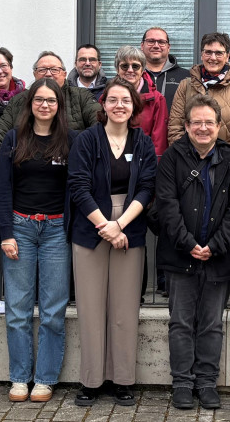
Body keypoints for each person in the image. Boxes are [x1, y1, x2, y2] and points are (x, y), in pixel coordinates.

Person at [154, 94, 230, 411]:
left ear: (219, 126)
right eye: (197, 122)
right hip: (180, 254)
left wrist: (215, 246)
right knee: (181, 322)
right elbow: (166, 207)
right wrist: (189, 243)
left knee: (211, 323)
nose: (203, 128)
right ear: (186, 126)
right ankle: (182, 383)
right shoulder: (171, 158)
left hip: (219, 256)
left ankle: (206, 383)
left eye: (210, 122)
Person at [67, 80, 157, 407]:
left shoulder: (142, 142)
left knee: (124, 310)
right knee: (91, 308)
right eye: (113, 100)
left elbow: (147, 188)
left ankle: (122, 379)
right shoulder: (86, 140)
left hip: (128, 227)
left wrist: (119, 225)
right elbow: (77, 186)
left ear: (134, 107)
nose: (119, 105)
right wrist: (105, 225)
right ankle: (91, 381)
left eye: (126, 101)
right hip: (91, 226)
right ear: (103, 105)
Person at [0, 79, 77, 403]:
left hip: (57, 230)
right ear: (30, 104)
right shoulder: (14, 139)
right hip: (20, 228)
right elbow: (2, 189)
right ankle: (19, 378)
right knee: (17, 309)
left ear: (59, 106)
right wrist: (6, 234)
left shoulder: (72, 140)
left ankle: (44, 379)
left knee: (53, 311)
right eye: (39, 100)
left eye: (51, 101)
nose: (45, 105)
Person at [0, 52, 101, 162]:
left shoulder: (81, 97)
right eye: (42, 70)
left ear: (64, 74)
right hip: (27, 165)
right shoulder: (19, 100)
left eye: (54, 69)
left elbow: (100, 124)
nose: (48, 74)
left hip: (71, 164)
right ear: (34, 74)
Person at [166, 32, 230, 147]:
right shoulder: (185, 85)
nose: (213, 58)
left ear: (227, 56)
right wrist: (187, 156)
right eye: (208, 52)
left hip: (227, 160)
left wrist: (226, 158)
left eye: (219, 53)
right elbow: (175, 127)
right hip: (189, 160)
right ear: (202, 54)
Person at [111, 46, 168, 156]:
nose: (130, 70)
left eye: (135, 66)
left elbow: (159, 141)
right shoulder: (107, 97)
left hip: (144, 161)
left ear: (142, 70)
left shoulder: (157, 99)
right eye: (124, 66)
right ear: (117, 69)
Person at [142, 27, 191, 106]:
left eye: (161, 42)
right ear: (142, 46)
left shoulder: (186, 77)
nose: (156, 46)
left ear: (168, 47)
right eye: (151, 41)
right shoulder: (132, 75)